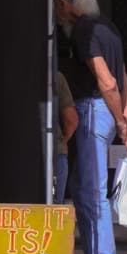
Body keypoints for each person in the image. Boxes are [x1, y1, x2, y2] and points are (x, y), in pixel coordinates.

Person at [55, 0, 127, 254]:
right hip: (108, 109)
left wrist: (121, 120)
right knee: (87, 189)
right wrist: (126, 122)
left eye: (59, 6)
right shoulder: (109, 27)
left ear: (66, 6)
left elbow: (107, 79)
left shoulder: (83, 31)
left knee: (92, 192)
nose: (57, 14)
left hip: (93, 108)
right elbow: (124, 78)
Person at [52, 70, 77, 205]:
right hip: (54, 148)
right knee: (54, 213)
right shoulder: (55, 76)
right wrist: (63, 140)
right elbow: (71, 119)